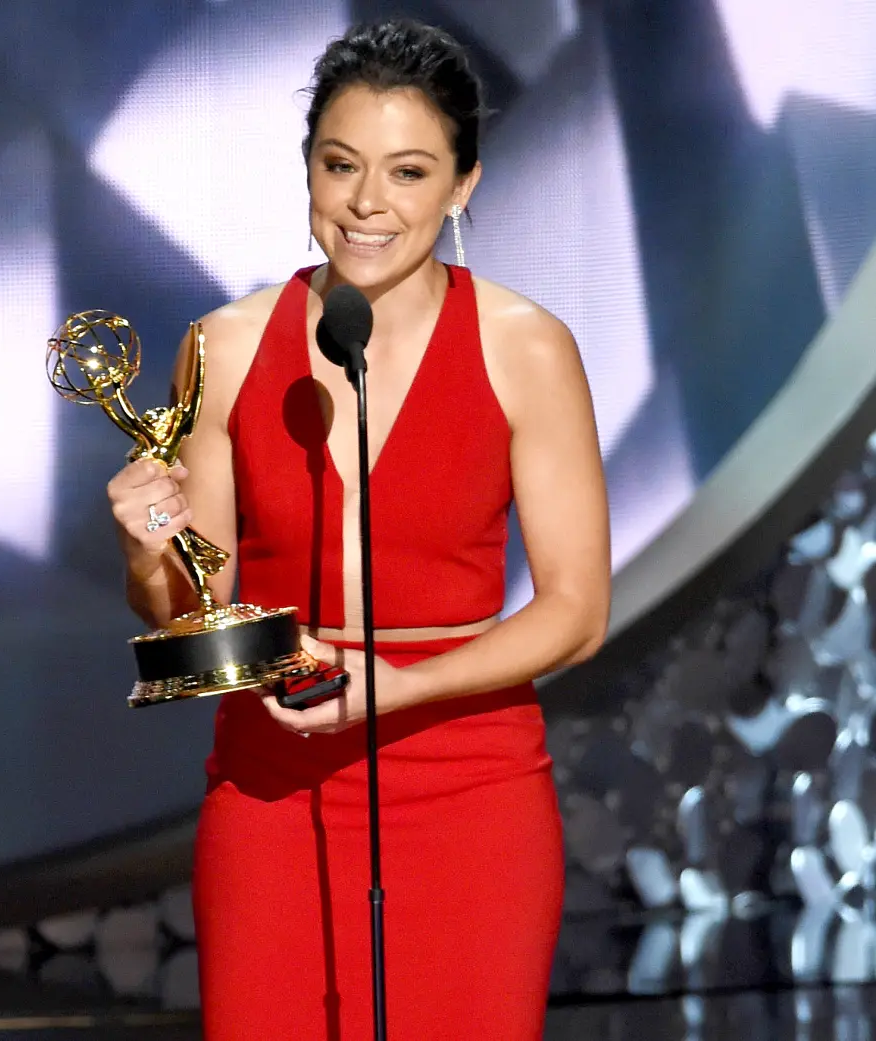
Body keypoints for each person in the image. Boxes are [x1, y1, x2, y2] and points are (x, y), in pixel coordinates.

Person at [107, 18, 610, 1040]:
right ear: (307, 172)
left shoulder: (526, 348)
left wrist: (405, 687)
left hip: (468, 792)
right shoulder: (226, 345)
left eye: (410, 171)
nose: (368, 204)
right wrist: (143, 544)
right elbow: (187, 615)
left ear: (464, 184)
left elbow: (577, 611)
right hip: (272, 792)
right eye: (341, 166)